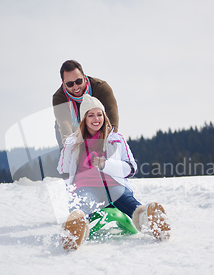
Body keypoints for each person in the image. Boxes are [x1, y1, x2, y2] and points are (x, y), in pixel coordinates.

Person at [57, 94, 170, 250]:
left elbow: (131, 167)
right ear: (83, 119)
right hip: (86, 187)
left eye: (99, 114)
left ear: (104, 116)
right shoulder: (73, 142)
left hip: (113, 184)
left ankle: (151, 221)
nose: (96, 119)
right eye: (91, 115)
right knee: (83, 204)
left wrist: (106, 165)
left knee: (129, 202)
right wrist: (68, 150)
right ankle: (76, 228)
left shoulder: (116, 139)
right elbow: (63, 170)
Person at [53, 60, 119, 148]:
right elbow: (64, 124)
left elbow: (111, 114)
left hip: (98, 126)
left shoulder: (101, 87)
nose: (76, 87)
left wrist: (110, 139)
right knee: (68, 149)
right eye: (70, 84)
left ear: (84, 77)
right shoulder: (59, 98)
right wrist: (70, 148)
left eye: (79, 81)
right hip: (75, 129)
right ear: (63, 84)